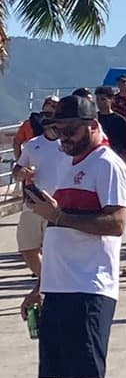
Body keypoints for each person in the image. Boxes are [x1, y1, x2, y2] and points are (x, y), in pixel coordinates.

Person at [19, 95, 126, 378]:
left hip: (89, 286)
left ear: (92, 126)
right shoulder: (70, 165)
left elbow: (116, 223)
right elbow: (58, 233)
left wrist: (58, 215)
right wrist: (40, 286)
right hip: (59, 287)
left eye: (69, 130)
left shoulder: (107, 164)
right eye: (56, 130)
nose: (62, 137)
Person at [13, 112, 72, 278]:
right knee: (27, 247)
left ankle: (50, 284)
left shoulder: (68, 144)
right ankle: (45, 280)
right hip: (33, 202)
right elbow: (18, 168)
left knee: (53, 249)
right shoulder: (32, 145)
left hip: (59, 204)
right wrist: (21, 173)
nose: (55, 129)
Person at [92, 88, 126, 157]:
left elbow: (125, 143)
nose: (99, 103)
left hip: (115, 155)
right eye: (97, 100)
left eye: (103, 99)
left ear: (111, 99)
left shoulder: (119, 120)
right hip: (96, 156)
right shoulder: (94, 120)